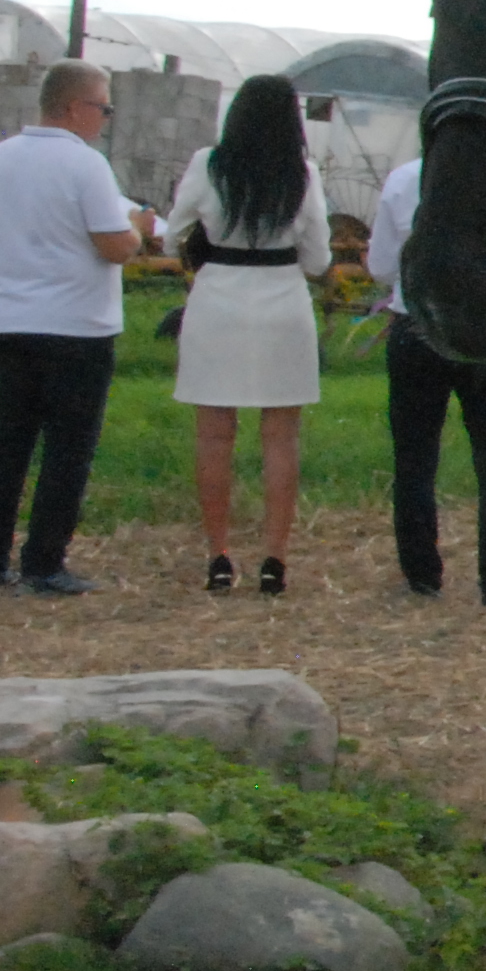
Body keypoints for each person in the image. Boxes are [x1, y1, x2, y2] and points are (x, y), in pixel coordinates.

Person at [0, 63, 154, 595]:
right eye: (103, 108)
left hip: (8, 320)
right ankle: (44, 561)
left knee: (8, 440)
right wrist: (137, 233)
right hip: (76, 325)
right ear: (73, 107)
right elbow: (112, 244)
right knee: (68, 446)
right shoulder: (85, 165)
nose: (105, 119)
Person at [161, 75, 333, 595]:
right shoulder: (302, 173)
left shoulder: (207, 165)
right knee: (280, 438)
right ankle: (274, 560)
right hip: (282, 303)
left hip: (218, 302)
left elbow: (172, 235)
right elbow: (319, 258)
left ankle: (219, 556)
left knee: (215, 436)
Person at [368, 153, 486, 607]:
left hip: (418, 325)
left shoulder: (403, 180)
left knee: (414, 457)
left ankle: (422, 575)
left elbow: (380, 266)